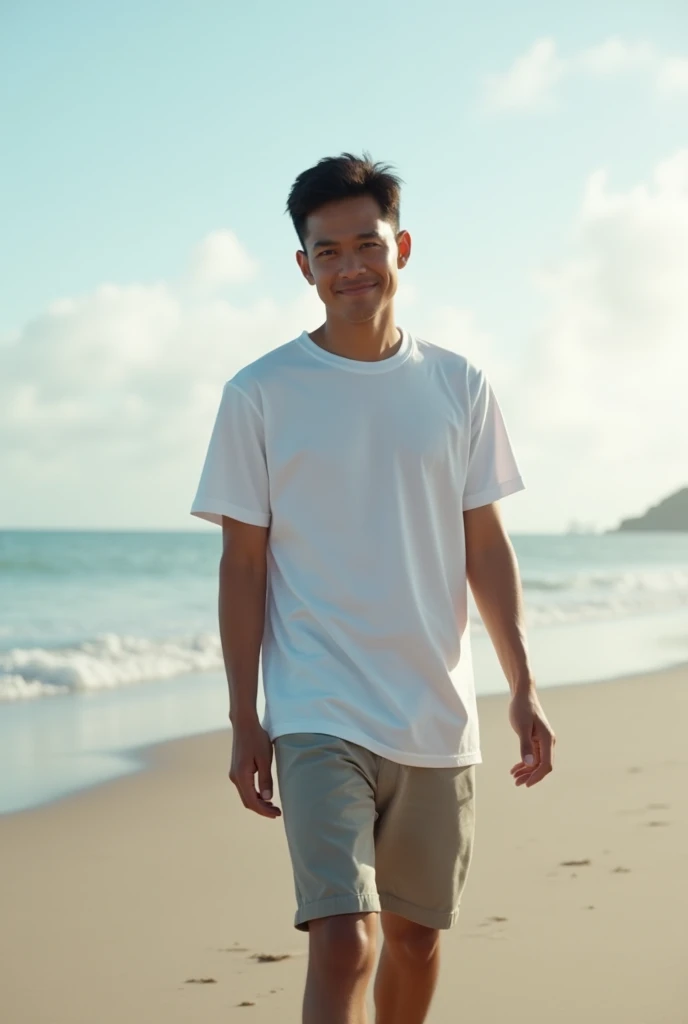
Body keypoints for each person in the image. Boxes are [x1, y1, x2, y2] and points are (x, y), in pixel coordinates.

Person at [190, 152, 556, 1024]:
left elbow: (485, 542)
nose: (350, 266)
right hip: (319, 706)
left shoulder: (458, 385)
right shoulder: (260, 394)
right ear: (303, 265)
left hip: (436, 708)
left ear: (402, 247)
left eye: (367, 244)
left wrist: (523, 684)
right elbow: (242, 566)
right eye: (328, 252)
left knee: (418, 938)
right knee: (344, 938)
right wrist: (247, 714)